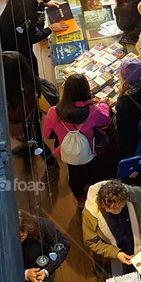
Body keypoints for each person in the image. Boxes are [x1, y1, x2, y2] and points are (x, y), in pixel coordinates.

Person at [41, 73, 112, 203]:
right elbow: (105, 119)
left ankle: (79, 200)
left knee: (74, 175)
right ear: (86, 91)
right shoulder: (92, 111)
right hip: (90, 151)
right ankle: (92, 195)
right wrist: (103, 104)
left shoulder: (53, 111)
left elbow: (47, 134)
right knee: (92, 173)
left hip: (68, 152)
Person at [82, 179, 141, 275]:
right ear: (102, 205)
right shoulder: (90, 213)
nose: (116, 211)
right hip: (110, 259)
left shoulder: (136, 195)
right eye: (111, 209)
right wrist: (116, 253)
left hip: (139, 248)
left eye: (119, 207)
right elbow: (92, 242)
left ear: (126, 199)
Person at [0, 0, 64, 71]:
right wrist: (51, 28)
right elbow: (33, 37)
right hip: (13, 40)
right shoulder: (29, 13)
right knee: (29, 66)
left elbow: (28, 1)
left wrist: (44, 4)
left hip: (1, 28)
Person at [20, 211, 71, 282]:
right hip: (19, 280)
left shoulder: (42, 226)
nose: (20, 235)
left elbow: (63, 245)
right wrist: (25, 274)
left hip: (45, 267)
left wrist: (46, 271)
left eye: (22, 231)